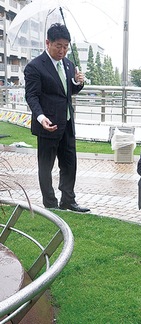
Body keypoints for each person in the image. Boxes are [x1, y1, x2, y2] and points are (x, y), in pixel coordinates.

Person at [24, 23, 89, 212]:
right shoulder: (35, 67)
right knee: (46, 167)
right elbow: (32, 96)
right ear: (48, 43)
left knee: (69, 164)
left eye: (66, 46)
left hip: (67, 123)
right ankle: (50, 204)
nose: (62, 50)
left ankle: (68, 200)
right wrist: (40, 117)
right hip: (48, 124)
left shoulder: (68, 64)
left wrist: (78, 82)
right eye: (58, 46)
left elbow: (68, 91)